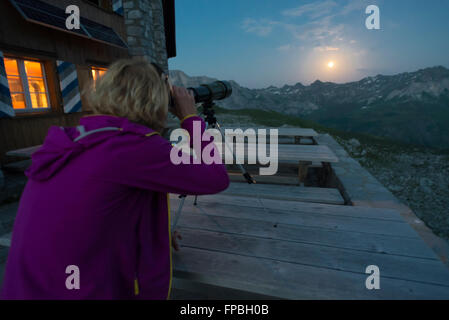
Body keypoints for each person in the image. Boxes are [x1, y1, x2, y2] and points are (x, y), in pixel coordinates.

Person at [0, 59, 230, 300]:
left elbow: (89, 207)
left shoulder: (76, 140)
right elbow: (215, 177)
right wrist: (190, 118)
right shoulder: (133, 147)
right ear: (156, 98)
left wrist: (154, 229)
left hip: (26, 288)